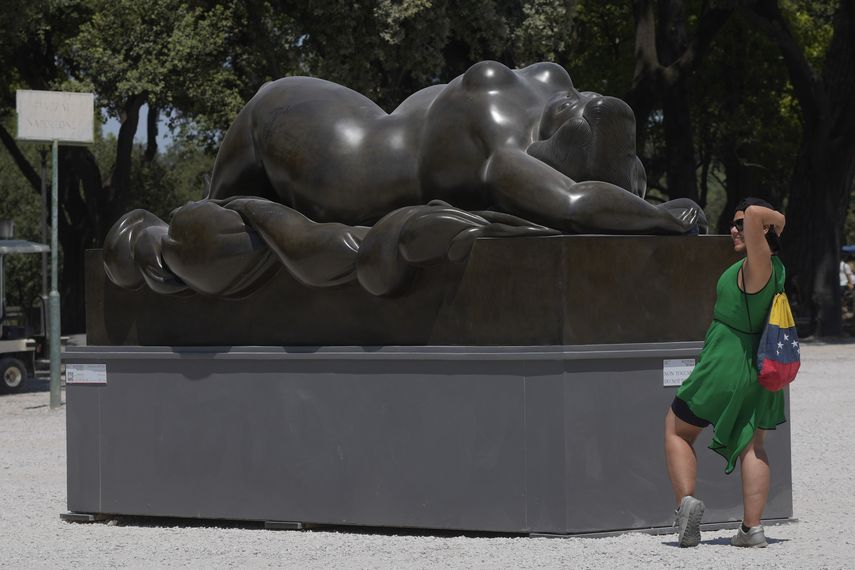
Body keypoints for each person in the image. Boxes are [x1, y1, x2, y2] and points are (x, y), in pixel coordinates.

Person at [664, 197, 786, 548]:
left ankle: (686, 504)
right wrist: (772, 225)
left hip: (726, 359)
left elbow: (756, 215)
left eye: (739, 224)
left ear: (760, 230)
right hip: (758, 366)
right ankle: (752, 530)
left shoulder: (756, 264)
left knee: (677, 428)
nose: (733, 229)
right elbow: (758, 220)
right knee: (753, 444)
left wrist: (772, 219)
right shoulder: (773, 266)